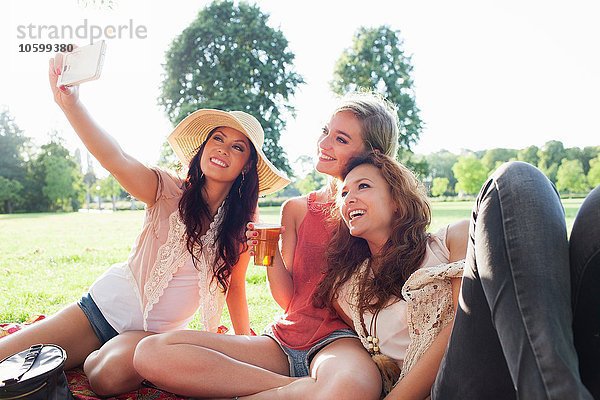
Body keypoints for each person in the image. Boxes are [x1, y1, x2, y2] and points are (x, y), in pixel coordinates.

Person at [0, 53, 290, 396]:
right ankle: (87, 353)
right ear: (202, 149)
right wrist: (71, 104)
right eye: (217, 139)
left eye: (237, 147)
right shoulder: (166, 189)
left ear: (245, 166)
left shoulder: (241, 227)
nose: (223, 150)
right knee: (5, 360)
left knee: (107, 380)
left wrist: (245, 342)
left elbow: (235, 286)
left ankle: (96, 359)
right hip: (100, 313)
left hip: (152, 340)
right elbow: (116, 159)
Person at [133, 92, 401, 399]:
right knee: (151, 352)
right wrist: (270, 257)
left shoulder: (383, 212)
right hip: (282, 340)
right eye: (325, 132)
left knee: (350, 388)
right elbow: (290, 300)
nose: (324, 144)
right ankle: (294, 390)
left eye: (340, 139)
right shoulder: (297, 209)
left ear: (373, 153)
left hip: (339, 342)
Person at [431, 161, 599, 400]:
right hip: (461, 381)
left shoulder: (445, 240)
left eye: (363, 186)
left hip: (531, 339)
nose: (354, 196)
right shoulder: (358, 280)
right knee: (516, 179)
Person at [313, 151, 467, 399]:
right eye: (344, 193)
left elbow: (463, 325)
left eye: (362, 186)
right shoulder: (346, 290)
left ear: (397, 200)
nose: (349, 198)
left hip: (469, 382)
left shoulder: (452, 240)